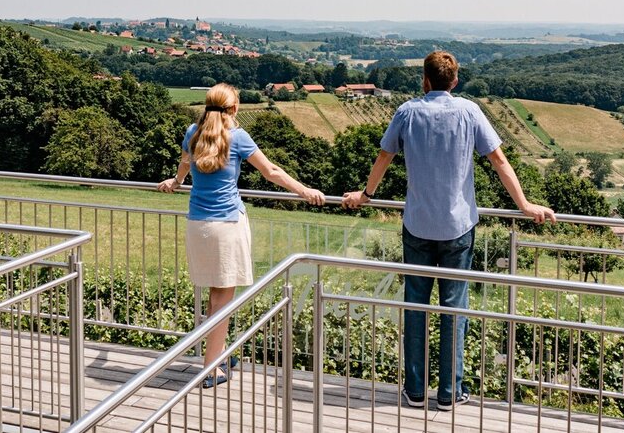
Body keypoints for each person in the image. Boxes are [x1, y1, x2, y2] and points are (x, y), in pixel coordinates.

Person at [341, 51, 555, 411]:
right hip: (457, 227)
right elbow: (499, 160)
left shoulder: (407, 112)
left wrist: (365, 195)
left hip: (417, 225)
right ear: (454, 81)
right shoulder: (469, 111)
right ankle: (449, 393)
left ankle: (413, 390)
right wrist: (524, 206)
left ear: (424, 79)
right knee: (454, 310)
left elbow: (384, 157)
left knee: (415, 307)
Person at [158, 83, 326, 388]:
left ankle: (218, 354)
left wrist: (176, 181)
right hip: (226, 227)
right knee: (224, 300)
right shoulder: (237, 137)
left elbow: (184, 164)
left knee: (215, 295)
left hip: (198, 224)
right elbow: (271, 172)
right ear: (234, 109)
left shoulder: (191, 132)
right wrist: (305, 191)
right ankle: (211, 368)